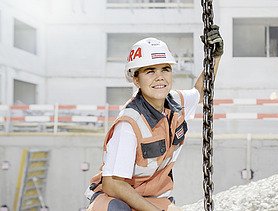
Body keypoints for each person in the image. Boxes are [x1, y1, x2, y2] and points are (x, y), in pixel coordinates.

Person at [86, 25, 223, 211]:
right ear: (136, 79)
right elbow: (113, 184)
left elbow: (200, 91)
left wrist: (214, 57)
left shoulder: (175, 103)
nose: (160, 77)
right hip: (118, 201)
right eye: (150, 71)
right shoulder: (129, 124)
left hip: (156, 199)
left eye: (165, 69)